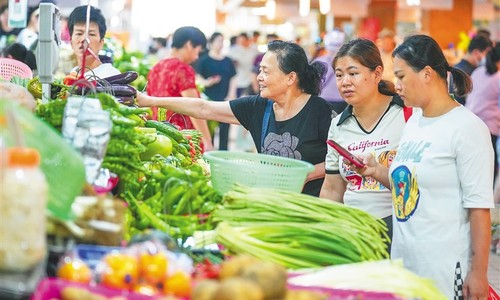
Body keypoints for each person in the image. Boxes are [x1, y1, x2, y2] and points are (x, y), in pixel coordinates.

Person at [355, 34, 494, 299]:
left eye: (401, 76)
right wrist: (376, 171)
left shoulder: (467, 128)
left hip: (445, 269)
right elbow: (408, 185)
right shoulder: (414, 122)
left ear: (427, 74)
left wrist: (478, 272)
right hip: (406, 262)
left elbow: (479, 207)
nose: (397, 86)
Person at [137, 40, 336, 196]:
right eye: (259, 71)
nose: (259, 77)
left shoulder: (320, 112)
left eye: (265, 72)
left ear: (290, 78)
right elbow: (203, 108)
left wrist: (307, 174)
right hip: (273, 202)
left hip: (311, 205)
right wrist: (149, 101)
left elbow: (342, 159)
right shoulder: (258, 107)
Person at [319, 38, 411, 250]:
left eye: (353, 73)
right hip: (354, 233)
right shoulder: (338, 125)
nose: (345, 82)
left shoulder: (406, 115)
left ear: (377, 73)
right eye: (340, 75)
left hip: (400, 230)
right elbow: (332, 189)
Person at [146, 26, 213, 151]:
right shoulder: (183, 69)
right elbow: (195, 108)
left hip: (160, 137)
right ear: (188, 45)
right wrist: (207, 141)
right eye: (197, 51)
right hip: (183, 140)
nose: (196, 57)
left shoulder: (155, 68)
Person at [194, 32, 237, 150]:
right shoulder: (204, 60)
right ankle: (210, 151)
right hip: (209, 100)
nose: (221, 44)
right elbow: (198, 79)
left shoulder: (227, 60)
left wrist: (231, 94)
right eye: (218, 41)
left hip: (225, 99)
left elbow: (233, 78)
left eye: (222, 41)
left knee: (225, 129)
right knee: (210, 129)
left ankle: (224, 153)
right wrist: (208, 82)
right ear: (211, 43)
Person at [465, 43, 500, 182]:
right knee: (488, 173)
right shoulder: (498, 77)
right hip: (489, 128)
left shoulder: (478, 71)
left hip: (470, 125)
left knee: (474, 170)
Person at [67, 5, 120, 79]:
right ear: (71, 42)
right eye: (79, 33)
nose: (84, 40)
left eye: (91, 34)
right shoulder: (72, 75)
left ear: (101, 43)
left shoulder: (112, 76)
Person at [450, 34, 492, 105]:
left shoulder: (458, 67)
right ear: (476, 52)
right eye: (487, 54)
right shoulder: (466, 72)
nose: (489, 58)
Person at [312, 29, 347, 113]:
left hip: (323, 98)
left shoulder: (319, 61)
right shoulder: (348, 62)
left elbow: (314, 83)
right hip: (342, 99)